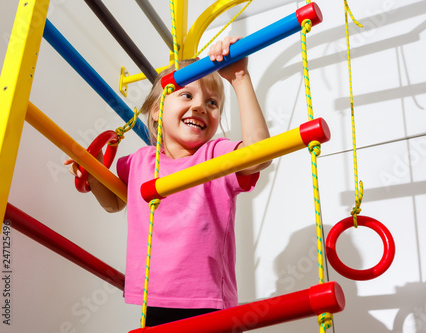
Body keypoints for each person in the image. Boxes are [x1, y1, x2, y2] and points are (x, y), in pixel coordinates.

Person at [64, 36, 271, 327]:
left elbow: (259, 156)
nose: (200, 106)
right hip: (155, 297)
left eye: (212, 103)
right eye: (187, 96)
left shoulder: (214, 155)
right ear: (158, 111)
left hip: (207, 301)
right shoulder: (140, 161)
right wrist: (93, 169)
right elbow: (112, 202)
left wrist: (239, 77)